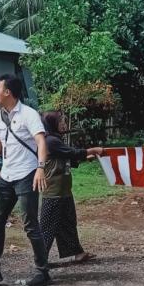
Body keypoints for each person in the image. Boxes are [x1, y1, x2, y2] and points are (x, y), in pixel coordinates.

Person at [0, 74, 51, 286]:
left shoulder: (29, 115)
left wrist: (40, 168)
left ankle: (43, 272)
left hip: (26, 175)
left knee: (30, 224)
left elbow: (41, 142)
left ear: (7, 92)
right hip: (6, 176)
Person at [40, 111, 102, 264]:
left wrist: (82, 159)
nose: (64, 124)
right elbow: (71, 152)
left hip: (64, 191)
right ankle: (40, 259)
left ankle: (78, 253)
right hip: (53, 193)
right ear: (52, 123)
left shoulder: (55, 140)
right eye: (60, 121)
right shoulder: (50, 141)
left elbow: (65, 157)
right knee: (47, 228)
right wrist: (92, 150)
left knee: (68, 223)